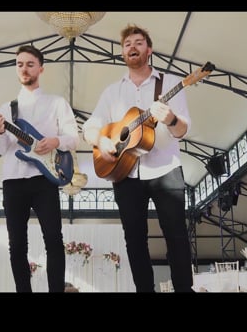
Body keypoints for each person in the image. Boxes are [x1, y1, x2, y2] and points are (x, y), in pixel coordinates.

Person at [82, 24, 194, 292]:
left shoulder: (169, 84)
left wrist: (170, 118)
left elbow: (182, 131)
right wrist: (102, 140)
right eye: (128, 44)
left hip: (165, 169)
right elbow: (89, 128)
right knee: (134, 239)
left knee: (176, 234)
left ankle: (183, 288)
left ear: (149, 49)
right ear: (123, 52)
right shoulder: (112, 92)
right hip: (126, 173)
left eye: (139, 42)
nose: (133, 47)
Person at [0, 45, 80, 292]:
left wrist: (55, 141)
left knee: (53, 239)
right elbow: (1, 149)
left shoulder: (56, 103)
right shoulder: (6, 109)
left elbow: (74, 137)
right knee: (16, 245)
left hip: (44, 179)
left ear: (41, 68)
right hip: (13, 180)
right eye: (19, 64)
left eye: (30, 64)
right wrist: (0, 132)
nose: (24, 68)